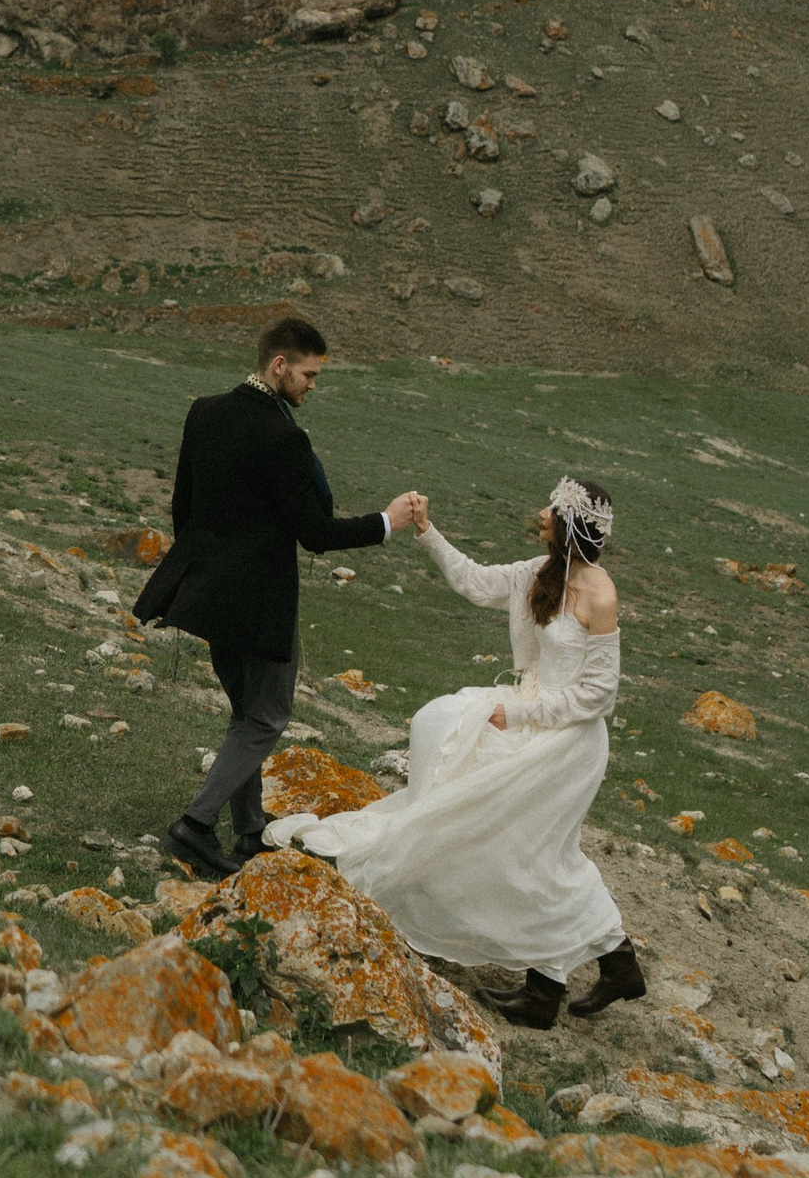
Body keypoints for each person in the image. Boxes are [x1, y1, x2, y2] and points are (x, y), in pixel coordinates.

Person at [267, 475, 647, 1027]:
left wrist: (518, 713)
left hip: (567, 743)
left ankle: (581, 976)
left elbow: (598, 694)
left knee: (535, 855)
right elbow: (472, 580)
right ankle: (592, 973)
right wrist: (426, 532)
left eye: (553, 508)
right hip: (526, 720)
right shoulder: (536, 575)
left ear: (571, 525)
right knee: (513, 830)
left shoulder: (600, 593)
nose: (540, 511)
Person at [136, 313, 425, 880]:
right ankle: (194, 826)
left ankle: (247, 833)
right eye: (309, 375)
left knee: (247, 715)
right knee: (267, 717)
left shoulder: (205, 412)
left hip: (208, 596)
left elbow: (183, 506)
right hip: (260, 605)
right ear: (279, 366)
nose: (313, 386)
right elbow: (316, 533)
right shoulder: (283, 437)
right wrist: (385, 523)